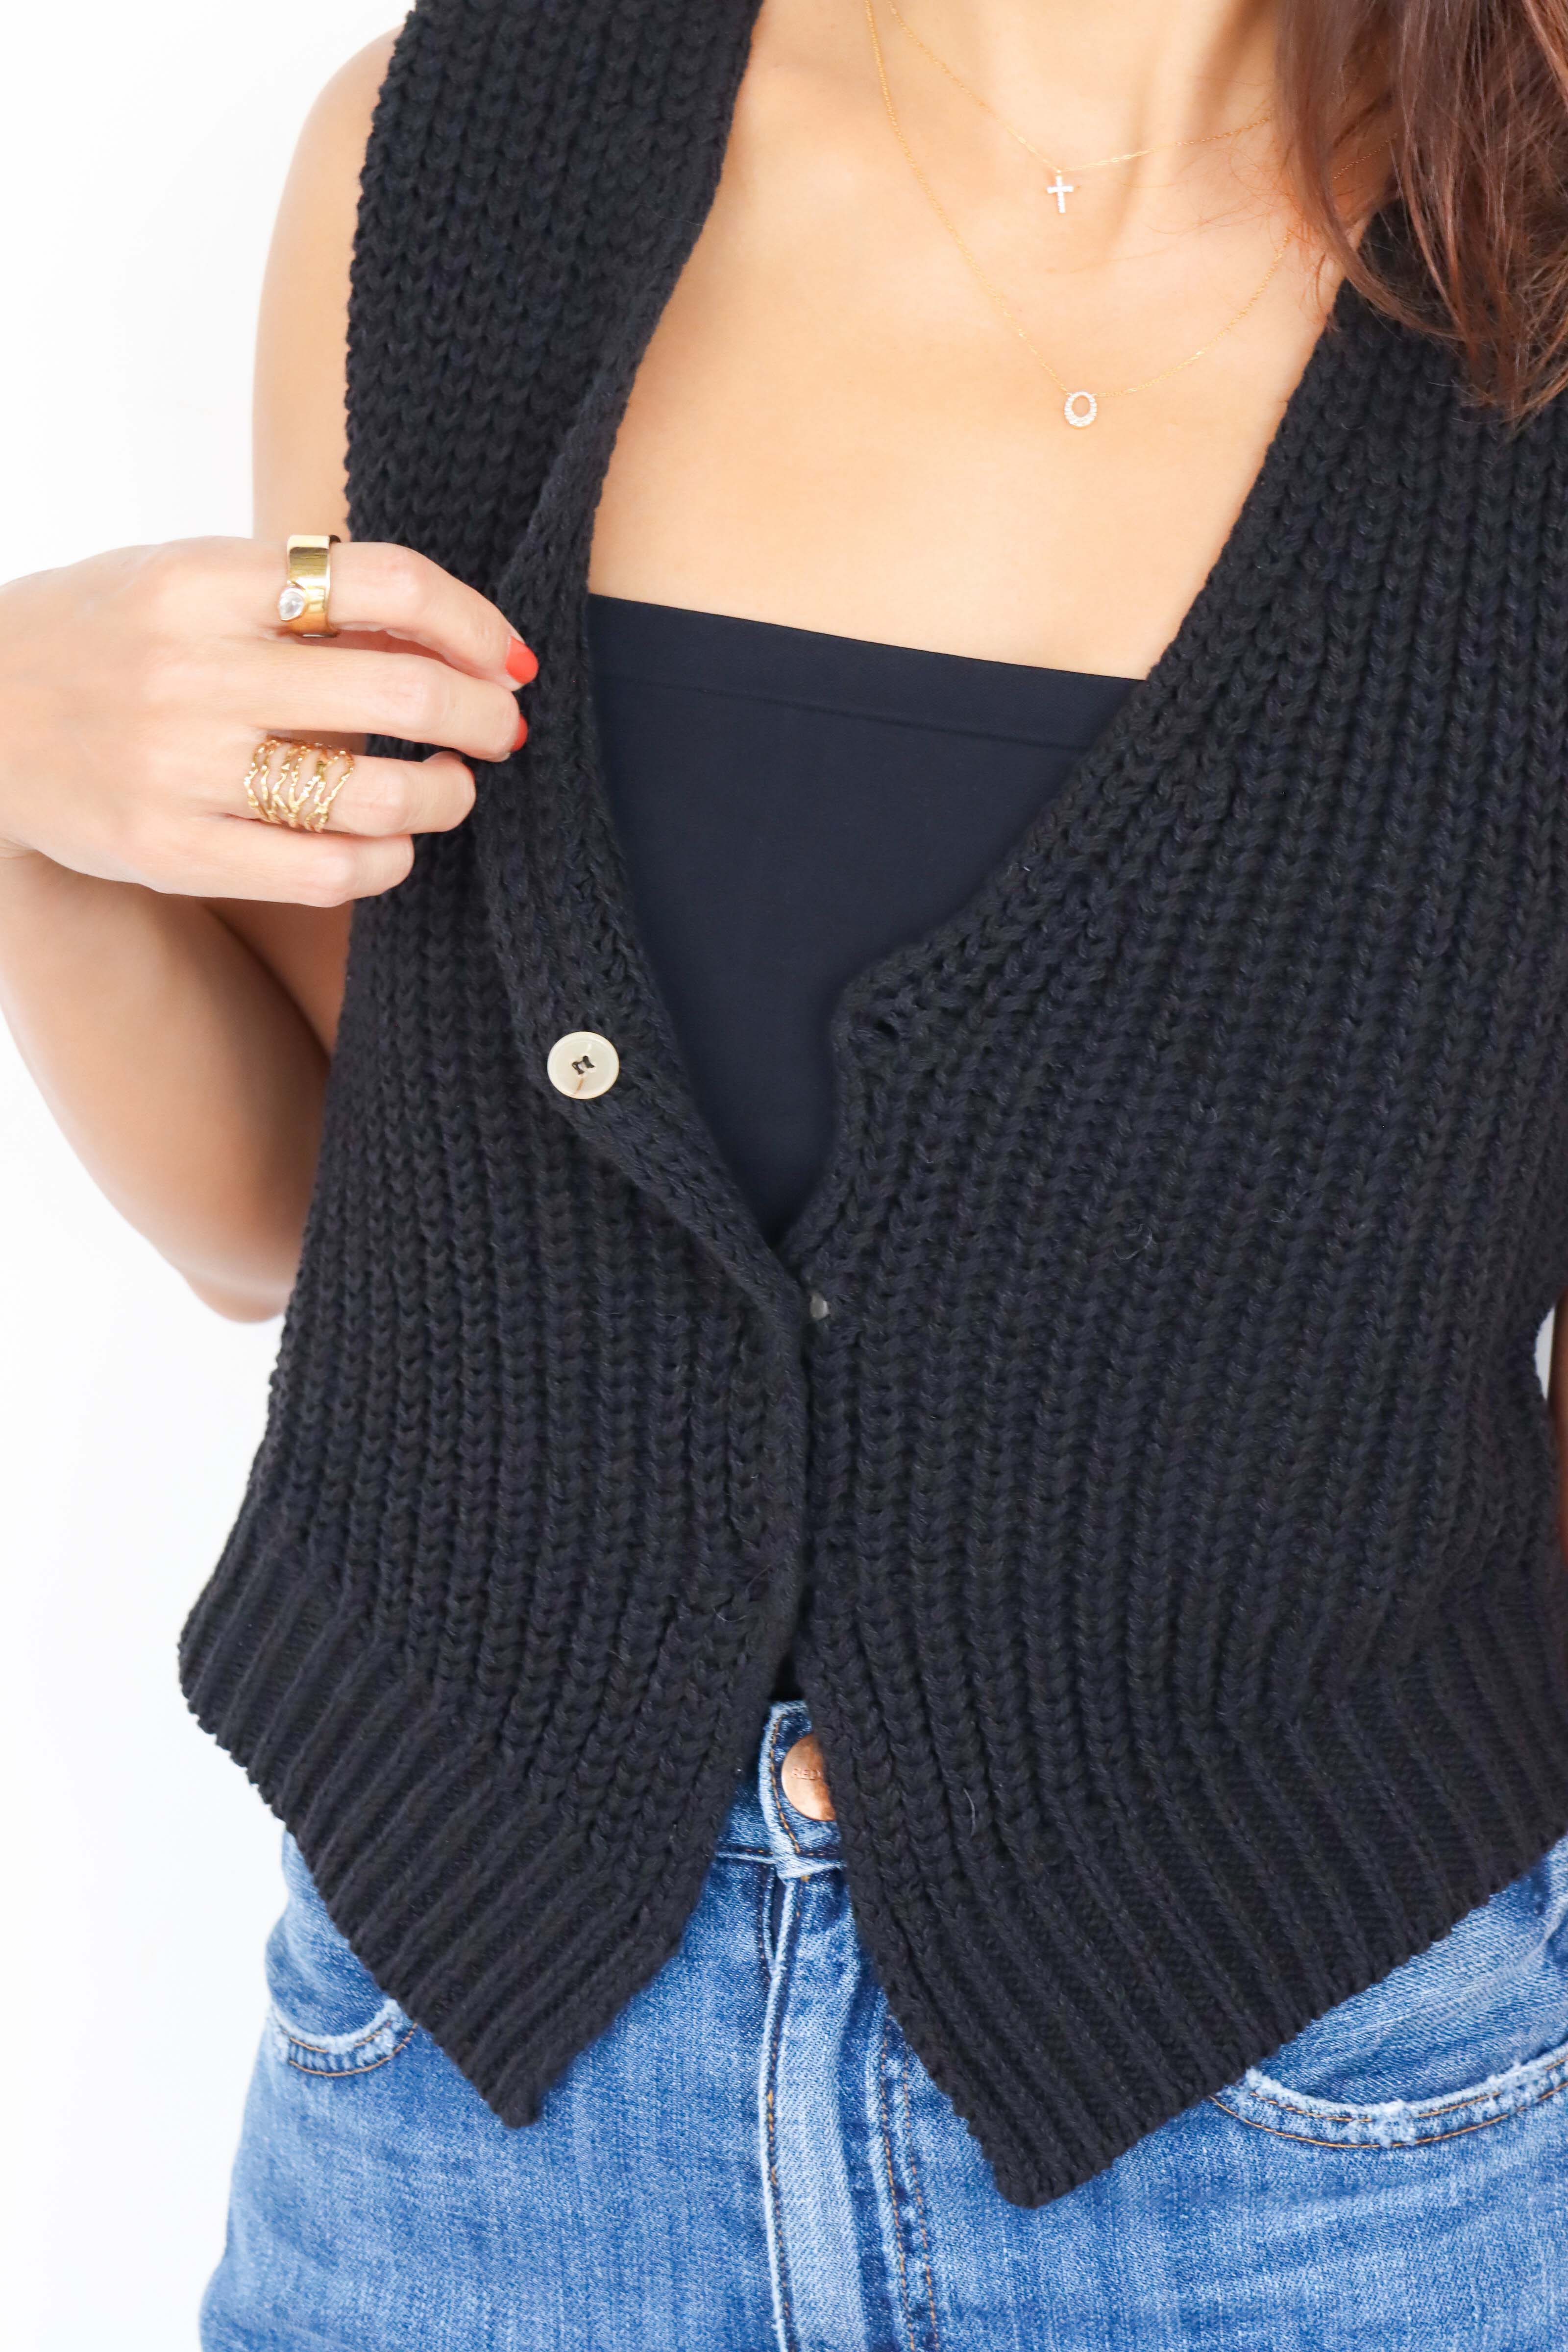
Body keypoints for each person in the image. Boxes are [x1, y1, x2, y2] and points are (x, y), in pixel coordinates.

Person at [4, 0, 1568, 2341]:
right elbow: (320, 1203)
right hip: (460, 2116)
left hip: (1304, 2128)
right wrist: (18, 782)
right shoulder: (457, 148)